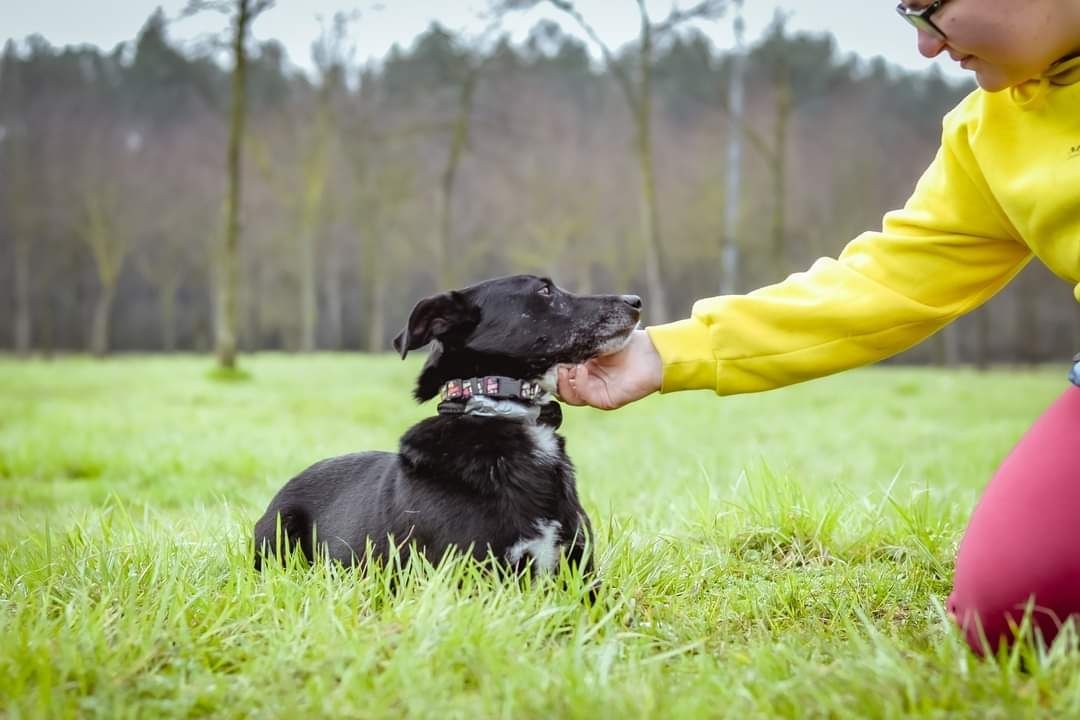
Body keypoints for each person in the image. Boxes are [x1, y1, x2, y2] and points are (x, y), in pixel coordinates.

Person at [557, 0, 1080, 656]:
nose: (927, 47)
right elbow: (883, 285)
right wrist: (663, 352)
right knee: (1004, 615)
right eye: (907, 18)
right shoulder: (992, 133)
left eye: (930, 11)